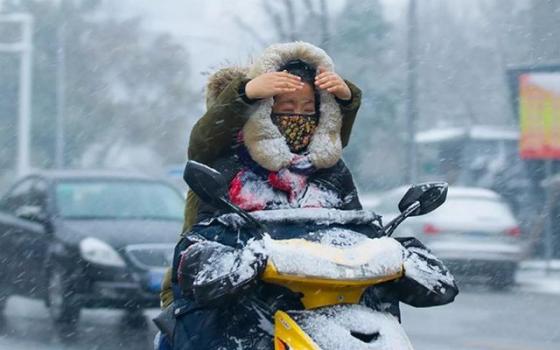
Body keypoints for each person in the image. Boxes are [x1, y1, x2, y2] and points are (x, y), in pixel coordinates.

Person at [159, 42, 458, 350]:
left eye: (308, 110)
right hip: (245, 311)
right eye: (285, 109)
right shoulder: (229, 161)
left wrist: (390, 253)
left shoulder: (330, 171)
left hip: (328, 309)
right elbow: (204, 151)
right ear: (263, 111)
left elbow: (358, 230)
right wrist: (246, 92)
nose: (298, 119)